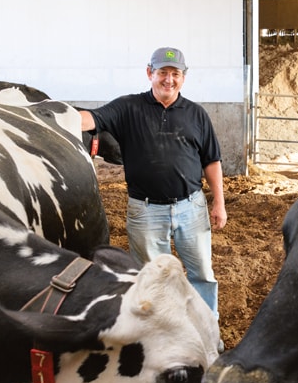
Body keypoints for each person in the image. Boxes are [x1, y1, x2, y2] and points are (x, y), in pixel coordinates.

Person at [79, 47, 226, 319]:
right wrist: (58, 116)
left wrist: (219, 202)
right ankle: (161, 330)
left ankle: (208, 330)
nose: (168, 79)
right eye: (162, 73)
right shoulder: (128, 108)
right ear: (150, 73)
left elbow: (212, 161)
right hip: (146, 211)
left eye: (175, 73)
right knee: (151, 278)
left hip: (191, 207)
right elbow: (92, 119)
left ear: (183, 77)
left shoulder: (197, 114)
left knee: (202, 274)